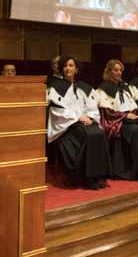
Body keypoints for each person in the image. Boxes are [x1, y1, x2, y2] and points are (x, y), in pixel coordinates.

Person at [47, 56, 111, 189]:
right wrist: (77, 117)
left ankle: (97, 177)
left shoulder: (84, 87)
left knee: (98, 133)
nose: (67, 68)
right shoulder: (55, 88)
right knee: (90, 135)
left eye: (71, 66)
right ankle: (85, 178)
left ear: (76, 69)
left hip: (85, 121)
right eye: (65, 66)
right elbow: (57, 110)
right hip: (67, 125)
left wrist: (90, 117)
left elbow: (92, 106)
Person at [96, 59, 138, 182]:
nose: (119, 73)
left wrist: (134, 114)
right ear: (109, 71)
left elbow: (133, 105)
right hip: (116, 122)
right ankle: (137, 172)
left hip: (128, 119)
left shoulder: (124, 87)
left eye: (120, 70)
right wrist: (125, 116)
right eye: (115, 70)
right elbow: (107, 113)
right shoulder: (103, 88)